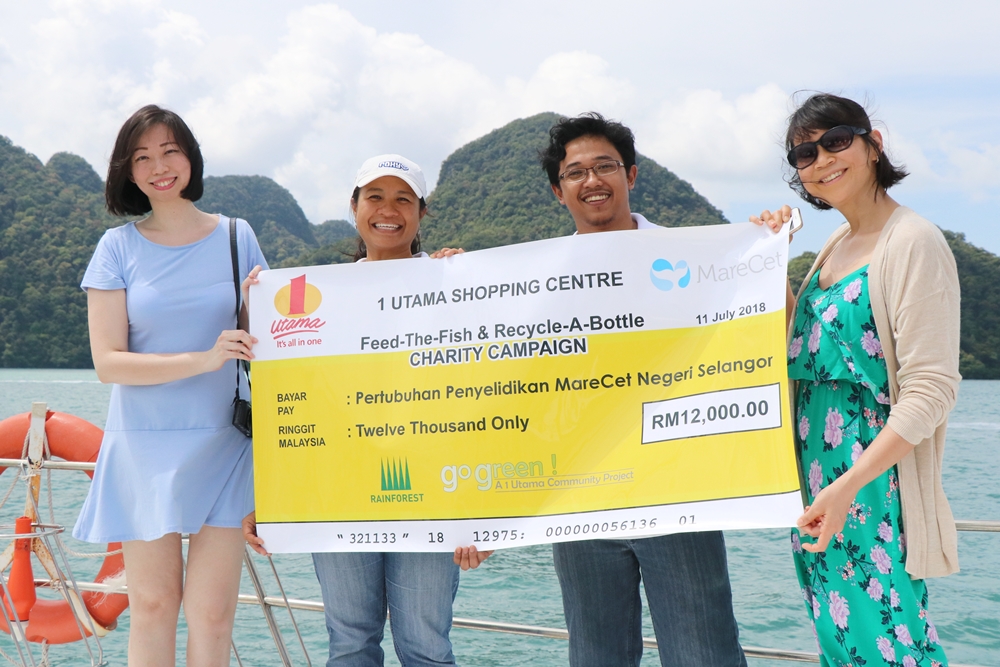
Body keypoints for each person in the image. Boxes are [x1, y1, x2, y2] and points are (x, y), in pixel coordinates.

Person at [243, 154, 490, 667]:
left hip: (434, 495)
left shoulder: (453, 281)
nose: (388, 210)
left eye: (403, 199)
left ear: (421, 212)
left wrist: (486, 515)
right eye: (374, 196)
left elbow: (482, 399)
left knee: (426, 647)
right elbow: (290, 404)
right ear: (354, 207)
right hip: (337, 493)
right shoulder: (317, 294)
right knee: (350, 643)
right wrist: (273, 497)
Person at [752, 93, 958, 665]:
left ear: (873, 144)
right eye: (804, 152)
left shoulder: (913, 241)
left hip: (871, 484)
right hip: (819, 478)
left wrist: (846, 489)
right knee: (845, 644)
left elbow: (931, 389)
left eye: (836, 140)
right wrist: (772, 261)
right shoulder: (837, 245)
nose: (821, 158)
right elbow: (803, 346)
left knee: (891, 643)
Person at [539, 112, 748, 667]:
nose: (592, 180)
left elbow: (761, 340)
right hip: (581, 495)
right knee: (596, 655)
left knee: (703, 651)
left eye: (604, 166)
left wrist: (766, 257)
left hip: (675, 488)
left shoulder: (694, 259)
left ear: (631, 175)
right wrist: (446, 279)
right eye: (575, 172)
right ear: (560, 192)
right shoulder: (537, 280)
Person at [74, 104, 266, 666]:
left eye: (170, 151)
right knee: (154, 606)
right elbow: (109, 362)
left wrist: (260, 309)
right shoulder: (117, 248)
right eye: (143, 157)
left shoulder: (237, 236)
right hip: (144, 442)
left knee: (213, 614)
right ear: (127, 172)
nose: (159, 166)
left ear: (190, 158)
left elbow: (261, 338)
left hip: (226, 441)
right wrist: (203, 359)